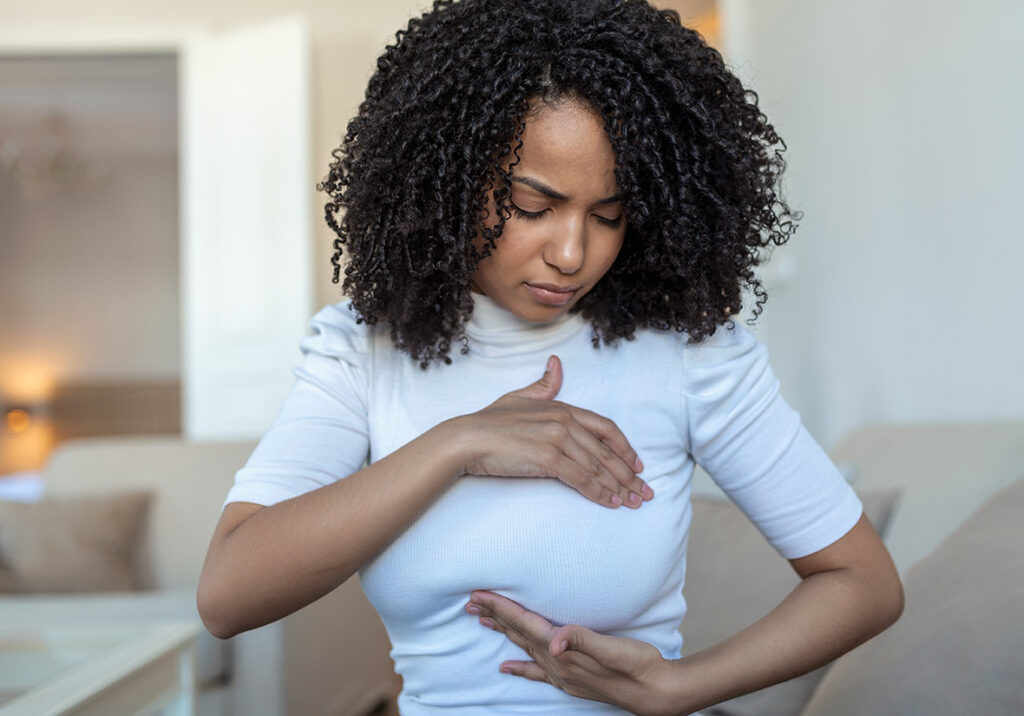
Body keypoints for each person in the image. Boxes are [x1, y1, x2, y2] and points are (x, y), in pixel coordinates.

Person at [197, 1, 904, 714]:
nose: (572, 254)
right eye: (532, 207)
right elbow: (228, 595)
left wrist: (678, 688)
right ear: (448, 179)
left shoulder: (689, 353)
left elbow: (863, 581)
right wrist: (460, 442)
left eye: (608, 215)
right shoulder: (362, 350)